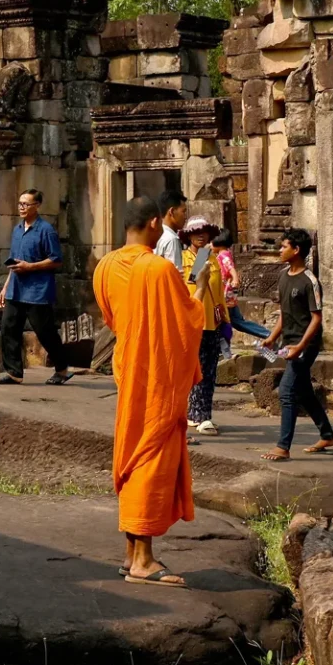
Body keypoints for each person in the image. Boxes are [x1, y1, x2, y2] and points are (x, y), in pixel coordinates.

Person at [93, 195, 204, 589]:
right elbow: (186, 320)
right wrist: (199, 291)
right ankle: (142, 559)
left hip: (129, 369)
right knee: (150, 457)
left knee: (133, 451)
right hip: (155, 377)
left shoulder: (104, 267)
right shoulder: (158, 269)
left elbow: (115, 319)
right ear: (156, 223)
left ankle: (131, 553)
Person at [260, 229, 333, 461]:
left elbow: (316, 318)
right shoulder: (284, 276)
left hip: (306, 344)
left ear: (296, 250)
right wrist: (273, 337)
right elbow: (285, 313)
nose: (280, 250)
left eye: (284, 246)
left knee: (286, 391)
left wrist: (301, 347)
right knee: (303, 391)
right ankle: (327, 434)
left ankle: (283, 447)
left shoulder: (310, 281)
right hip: (289, 342)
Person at [0, 189, 71, 386]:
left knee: (45, 332)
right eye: (20, 203)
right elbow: (14, 262)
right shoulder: (17, 229)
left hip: (37, 290)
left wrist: (31, 267)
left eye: (26, 204)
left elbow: (56, 260)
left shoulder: (46, 230)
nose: (21, 207)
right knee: (8, 328)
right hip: (16, 289)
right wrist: (5, 288)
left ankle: (62, 369)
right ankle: (13, 373)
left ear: (37, 206)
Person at [181, 218, 226, 436]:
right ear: (188, 236)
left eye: (205, 232)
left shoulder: (214, 259)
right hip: (194, 322)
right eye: (196, 232)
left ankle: (202, 413)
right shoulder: (187, 258)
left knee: (209, 372)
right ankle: (199, 416)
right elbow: (194, 284)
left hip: (212, 323)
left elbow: (219, 293)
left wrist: (225, 320)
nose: (201, 236)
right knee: (196, 371)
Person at [214, 228, 271, 341]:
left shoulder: (223, 255)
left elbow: (230, 268)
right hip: (227, 295)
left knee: (226, 322)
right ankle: (267, 334)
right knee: (237, 321)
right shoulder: (224, 254)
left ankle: (267, 334)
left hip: (225, 296)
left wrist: (235, 278)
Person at [155, 189, 187, 270]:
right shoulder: (171, 239)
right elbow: (175, 273)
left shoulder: (155, 234)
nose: (185, 217)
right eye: (183, 212)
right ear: (172, 211)